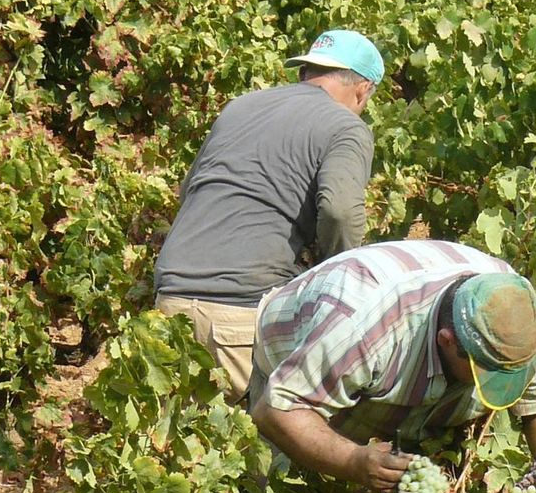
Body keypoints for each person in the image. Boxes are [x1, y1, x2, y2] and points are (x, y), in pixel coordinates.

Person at [154, 29, 384, 402]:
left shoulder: (240, 107)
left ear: (305, 73)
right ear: (363, 89)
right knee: (255, 445)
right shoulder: (346, 127)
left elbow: (189, 189)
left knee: (166, 443)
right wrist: (331, 279)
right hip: (237, 316)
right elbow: (340, 213)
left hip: (170, 299)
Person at [247, 240, 536, 492]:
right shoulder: (363, 327)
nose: (499, 381)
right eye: (488, 371)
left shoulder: (517, 318)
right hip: (297, 366)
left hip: (385, 372)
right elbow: (278, 410)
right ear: (447, 341)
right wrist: (354, 462)